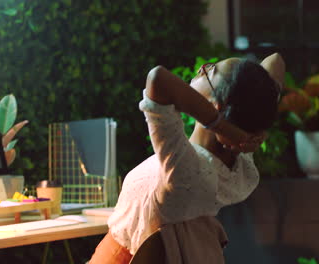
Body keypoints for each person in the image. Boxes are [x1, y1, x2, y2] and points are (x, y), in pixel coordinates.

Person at [89, 53, 285, 264]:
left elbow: (158, 78)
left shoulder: (186, 167)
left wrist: (220, 125)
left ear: (216, 104)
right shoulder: (240, 163)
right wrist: (243, 130)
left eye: (211, 70)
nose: (202, 68)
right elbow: (275, 61)